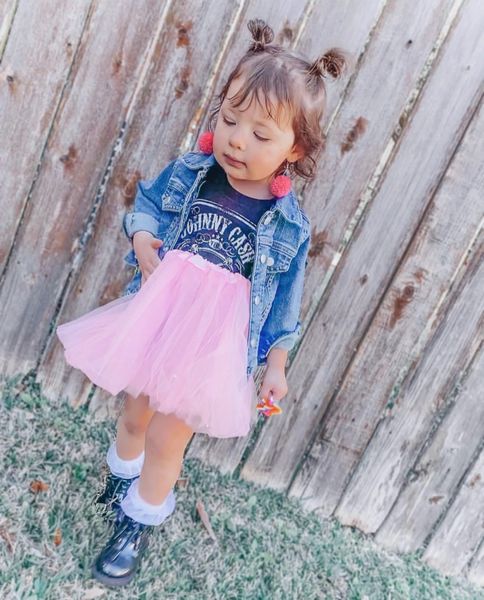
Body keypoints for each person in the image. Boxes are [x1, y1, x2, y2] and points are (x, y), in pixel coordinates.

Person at [56, 18, 348, 588]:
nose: (238, 139)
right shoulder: (195, 173)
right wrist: (143, 240)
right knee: (136, 413)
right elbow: (146, 205)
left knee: (169, 434)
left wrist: (277, 367)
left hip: (211, 345)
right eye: (230, 119)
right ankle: (122, 478)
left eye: (262, 134)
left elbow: (286, 305)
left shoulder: (286, 223)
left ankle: (136, 523)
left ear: (298, 148)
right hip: (159, 318)